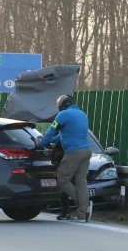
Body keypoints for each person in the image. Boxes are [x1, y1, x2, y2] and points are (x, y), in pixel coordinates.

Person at [37, 94, 92, 222]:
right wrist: (50, 141)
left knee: (62, 180)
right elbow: (63, 136)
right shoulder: (83, 115)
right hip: (86, 151)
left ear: (64, 104)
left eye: (59, 106)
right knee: (81, 182)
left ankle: (84, 205)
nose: (58, 108)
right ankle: (82, 216)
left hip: (73, 152)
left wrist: (41, 142)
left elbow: (52, 130)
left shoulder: (63, 115)